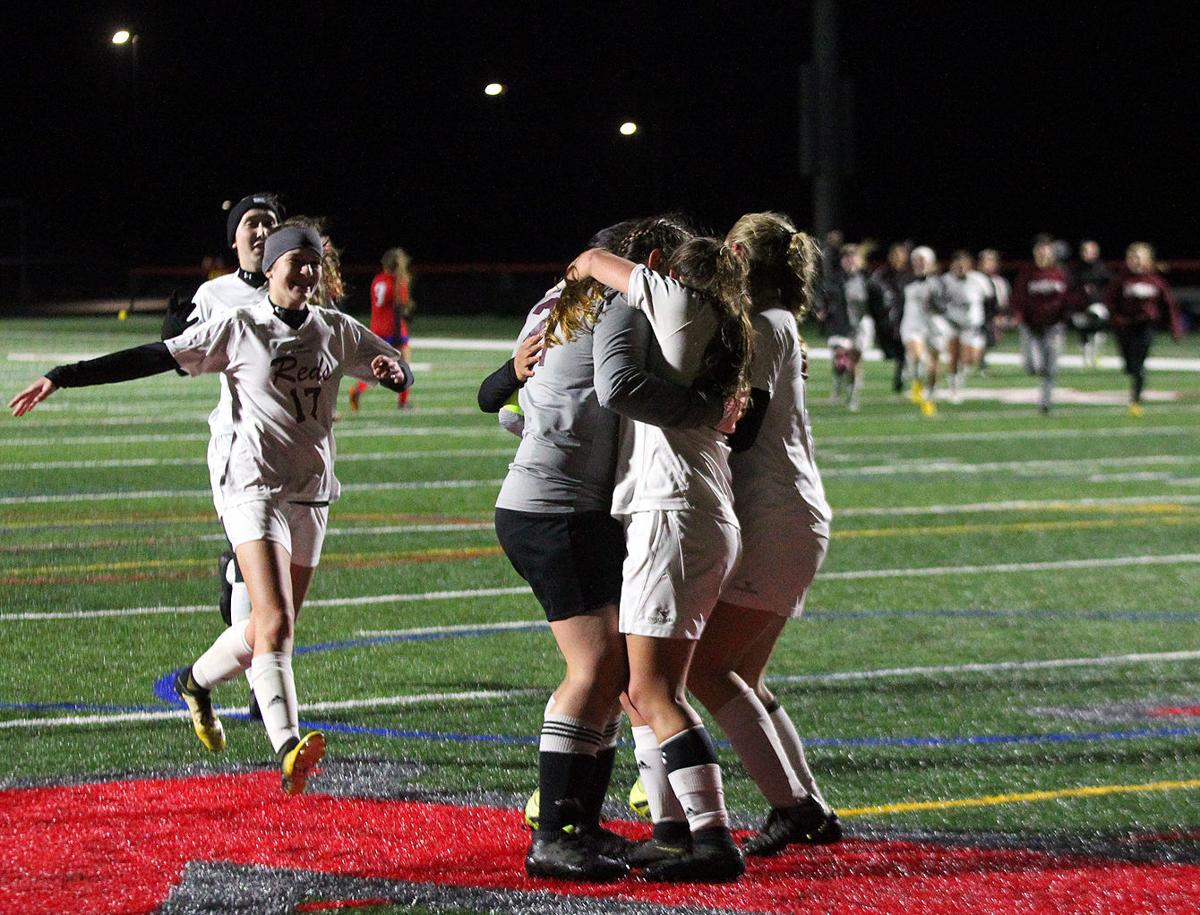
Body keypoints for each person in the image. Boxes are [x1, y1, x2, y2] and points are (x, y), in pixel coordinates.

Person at [10, 221, 413, 796]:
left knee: (268, 626)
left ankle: (194, 683)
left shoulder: (337, 331)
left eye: (312, 262)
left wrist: (396, 371)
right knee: (274, 623)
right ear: (269, 269)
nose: (304, 271)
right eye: (293, 261)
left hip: (311, 489)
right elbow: (154, 354)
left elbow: (396, 367)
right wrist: (65, 376)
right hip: (250, 485)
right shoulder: (240, 326)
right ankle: (288, 742)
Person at [478, 216, 729, 883]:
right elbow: (616, 387)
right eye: (670, 268)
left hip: (558, 503)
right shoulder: (619, 302)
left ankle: (579, 823)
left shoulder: (567, 303)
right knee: (593, 668)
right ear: (647, 261)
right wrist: (709, 407)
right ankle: (554, 833)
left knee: (612, 671)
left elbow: (516, 404)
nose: (673, 283)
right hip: (553, 510)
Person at [566, 232, 752, 883]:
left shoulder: (682, 305)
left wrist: (588, 266)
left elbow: (595, 262)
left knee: (652, 689)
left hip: (675, 515)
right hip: (690, 512)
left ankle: (713, 838)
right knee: (637, 688)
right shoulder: (722, 320)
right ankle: (673, 830)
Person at [684, 211, 840, 858]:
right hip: (786, 514)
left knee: (703, 668)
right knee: (745, 672)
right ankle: (810, 806)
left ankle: (793, 805)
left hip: (775, 516)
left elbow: (744, 427)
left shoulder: (769, 326)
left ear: (743, 253)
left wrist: (675, 408)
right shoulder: (775, 325)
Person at [161, 192, 284, 717]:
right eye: (251, 223)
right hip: (238, 451)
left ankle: (257, 661)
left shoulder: (299, 288)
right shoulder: (216, 294)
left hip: (293, 453)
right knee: (254, 570)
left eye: (270, 223)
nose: (260, 232)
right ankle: (264, 685)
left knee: (279, 579)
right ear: (234, 238)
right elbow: (177, 356)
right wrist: (174, 321)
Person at [1105, 241, 1183, 416]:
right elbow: (1110, 302)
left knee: (1139, 365)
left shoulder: (1156, 281)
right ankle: (1134, 376)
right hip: (1125, 327)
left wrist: (1175, 328)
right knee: (1129, 366)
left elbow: (1169, 305)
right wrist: (1116, 319)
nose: (1136, 261)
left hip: (1145, 327)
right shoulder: (1121, 280)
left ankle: (1135, 399)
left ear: (1148, 260)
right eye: (1132, 257)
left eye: (1139, 258)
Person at [1011, 234, 1073, 414]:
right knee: (1031, 366)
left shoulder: (1061, 274)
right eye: (1040, 250)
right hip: (1030, 326)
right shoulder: (1027, 273)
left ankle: (1045, 402)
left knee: (1051, 367)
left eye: (1046, 250)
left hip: (1054, 326)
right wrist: (1017, 315)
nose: (1043, 254)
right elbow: (1018, 298)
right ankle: (1043, 390)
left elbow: (1069, 298)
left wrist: (1068, 315)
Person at [351, 248, 414, 410]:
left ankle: (358, 389)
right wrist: (400, 335)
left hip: (376, 328)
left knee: (377, 367)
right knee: (404, 365)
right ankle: (403, 402)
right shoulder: (398, 282)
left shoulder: (377, 280)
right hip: (394, 329)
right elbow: (398, 310)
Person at [819, 243, 880, 412]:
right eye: (846, 256)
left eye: (853, 256)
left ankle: (852, 396)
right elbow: (823, 295)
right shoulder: (834, 279)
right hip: (840, 324)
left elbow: (877, 303)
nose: (850, 260)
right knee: (840, 360)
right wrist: (821, 310)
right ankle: (838, 384)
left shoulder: (867, 279)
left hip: (861, 325)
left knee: (854, 362)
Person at [939, 250, 991, 403]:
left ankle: (960, 374)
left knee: (971, 358)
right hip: (952, 322)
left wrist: (988, 321)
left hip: (972, 324)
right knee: (954, 355)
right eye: (957, 265)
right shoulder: (945, 281)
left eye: (964, 265)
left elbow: (990, 301)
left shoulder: (979, 280)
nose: (960, 268)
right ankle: (954, 387)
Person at [898, 245, 944, 415]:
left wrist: (935, 302)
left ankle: (930, 397)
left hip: (932, 326)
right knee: (917, 356)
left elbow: (943, 306)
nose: (920, 263)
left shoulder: (937, 282)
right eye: (917, 260)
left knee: (934, 366)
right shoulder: (905, 279)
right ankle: (917, 383)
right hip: (912, 324)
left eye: (923, 260)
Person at [871, 242, 912, 393]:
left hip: (908, 318)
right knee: (891, 351)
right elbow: (874, 294)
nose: (896, 258)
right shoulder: (881, 275)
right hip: (888, 320)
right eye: (894, 255)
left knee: (904, 350)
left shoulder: (910, 276)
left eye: (899, 255)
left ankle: (902, 375)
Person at [1071, 239, 1112, 368]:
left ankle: (1095, 356)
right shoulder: (1075, 270)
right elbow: (1070, 287)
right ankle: (1086, 359)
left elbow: (1110, 286)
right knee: (1084, 333)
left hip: (1096, 306)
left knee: (1098, 331)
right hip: (1080, 307)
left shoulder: (1101, 269)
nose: (1087, 254)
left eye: (1090, 251)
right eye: (1084, 251)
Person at [977, 248, 1010, 373]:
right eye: (986, 261)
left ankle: (980, 360)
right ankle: (981, 364)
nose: (988, 264)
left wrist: (1001, 317)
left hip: (990, 317)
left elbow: (1003, 303)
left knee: (990, 341)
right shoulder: (974, 279)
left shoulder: (999, 282)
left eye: (991, 261)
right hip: (974, 315)